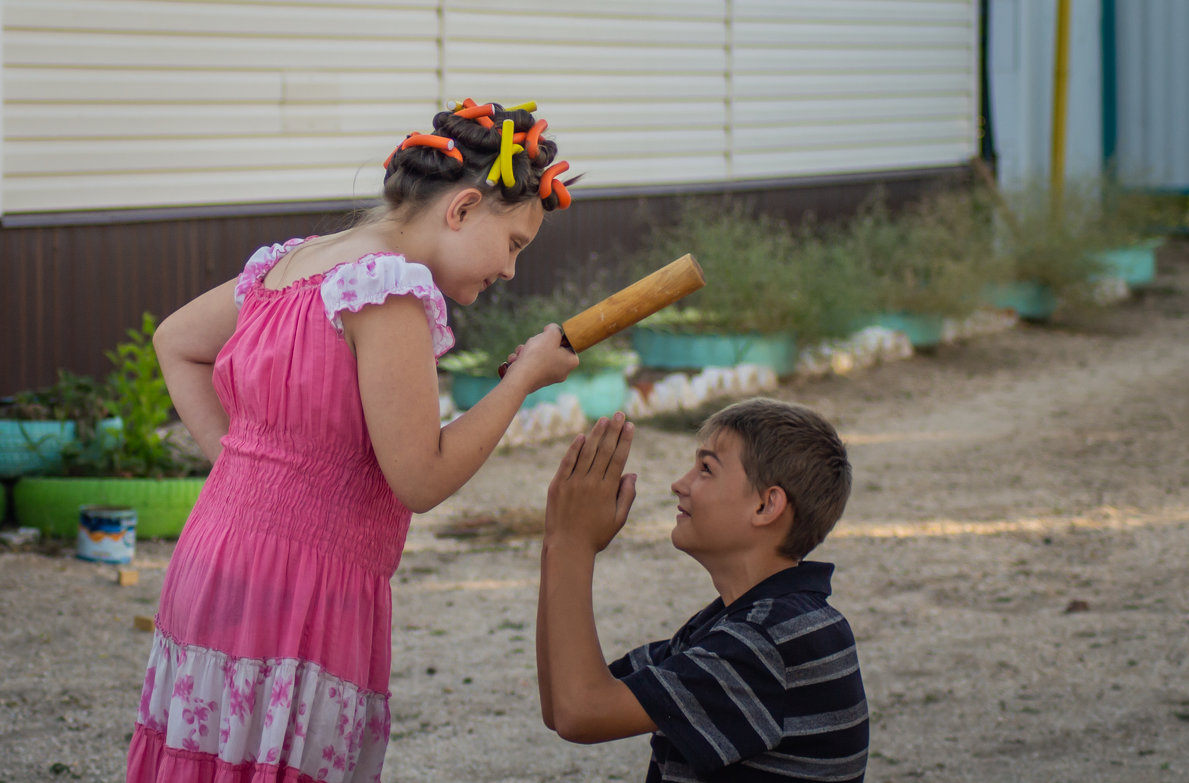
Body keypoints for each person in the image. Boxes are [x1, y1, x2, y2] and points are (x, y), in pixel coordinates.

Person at [127, 100, 580, 782]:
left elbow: (176, 343)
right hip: (301, 586)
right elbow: (420, 479)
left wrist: (246, 472)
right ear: (460, 209)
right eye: (513, 243)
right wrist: (522, 383)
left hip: (216, 557)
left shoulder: (294, 263)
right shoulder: (387, 290)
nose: (511, 270)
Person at [537, 398, 869, 782]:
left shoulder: (766, 642)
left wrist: (572, 543)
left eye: (706, 469)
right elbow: (562, 703)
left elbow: (581, 711)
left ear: (766, 505)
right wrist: (557, 538)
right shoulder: (750, 624)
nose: (679, 484)